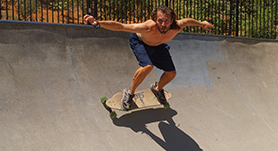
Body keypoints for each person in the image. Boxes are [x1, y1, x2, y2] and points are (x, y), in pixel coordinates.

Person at [83, 6, 213, 110]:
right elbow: (121, 26)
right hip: (141, 43)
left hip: (159, 46)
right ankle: (130, 93)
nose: (163, 24)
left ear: (172, 21)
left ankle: (157, 89)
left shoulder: (177, 26)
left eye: (166, 21)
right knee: (148, 67)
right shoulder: (147, 27)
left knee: (171, 73)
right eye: (160, 21)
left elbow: (188, 21)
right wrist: (98, 22)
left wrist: (202, 23)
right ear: (155, 20)